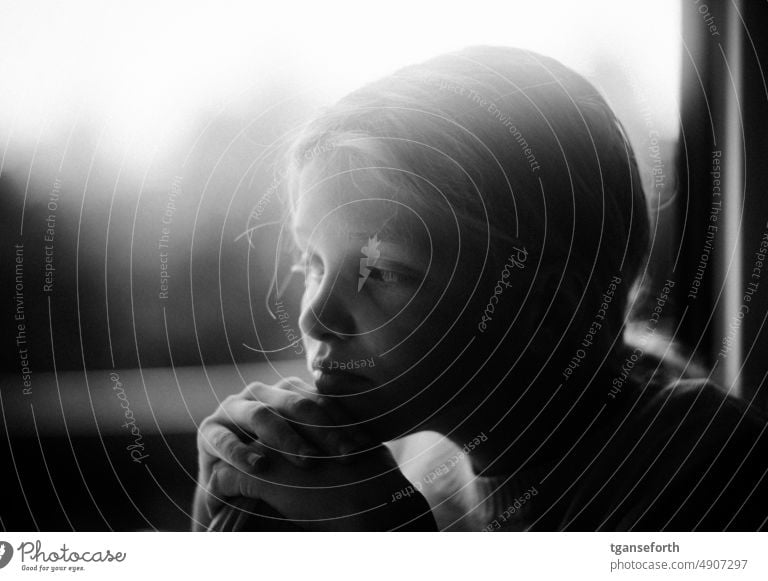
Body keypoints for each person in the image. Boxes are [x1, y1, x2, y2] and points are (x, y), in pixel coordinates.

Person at [192, 46, 768, 531]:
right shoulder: (427, 455)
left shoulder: (700, 462)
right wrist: (222, 510)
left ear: (546, 308)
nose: (315, 318)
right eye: (311, 263)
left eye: (385, 271)